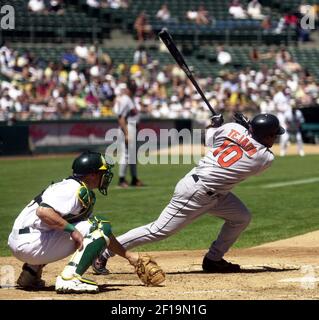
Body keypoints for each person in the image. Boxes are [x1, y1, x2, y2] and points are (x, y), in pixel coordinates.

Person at [92, 113, 285, 274]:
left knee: (241, 217)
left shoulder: (231, 129)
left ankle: (213, 259)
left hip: (217, 193)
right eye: (273, 136)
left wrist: (217, 125)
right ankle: (104, 252)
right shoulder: (264, 158)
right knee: (158, 230)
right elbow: (252, 145)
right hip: (197, 192)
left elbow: (208, 138)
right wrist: (245, 129)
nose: (275, 139)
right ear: (266, 136)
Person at [8, 151, 141, 293]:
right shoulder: (72, 189)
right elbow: (43, 212)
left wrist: (128, 256)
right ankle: (70, 278)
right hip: (30, 244)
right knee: (99, 226)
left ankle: (31, 273)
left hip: (24, 240)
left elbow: (103, 235)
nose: (106, 176)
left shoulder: (72, 186)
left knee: (93, 227)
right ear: (92, 174)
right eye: (102, 172)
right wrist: (72, 230)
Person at [114, 81, 144, 188]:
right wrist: (126, 133)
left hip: (132, 127)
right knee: (126, 155)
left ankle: (134, 179)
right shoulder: (125, 100)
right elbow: (121, 117)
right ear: (127, 89)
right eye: (132, 88)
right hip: (127, 128)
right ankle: (121, 180)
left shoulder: (130, 99)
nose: (132, 90)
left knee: (132, 156)